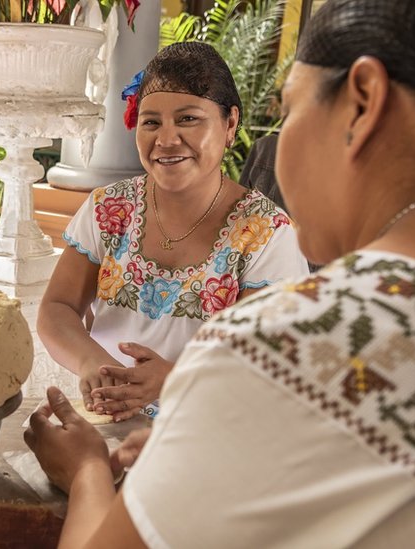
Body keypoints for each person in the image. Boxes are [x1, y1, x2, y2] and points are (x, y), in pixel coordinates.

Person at [25, 0, 415, 547]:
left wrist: (87, 472)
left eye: (290, 109)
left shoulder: (278, 347)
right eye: (151, 121)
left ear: (363, 103)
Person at [37, 42, 308, 421]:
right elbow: (58, 308)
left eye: (188, 119)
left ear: (230, 124)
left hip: (208, 439)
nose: (165, 140)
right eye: (151, 122)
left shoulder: (266, 235)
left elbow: (267, 367)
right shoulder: (110, 209)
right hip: (108, 424)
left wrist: (175, 379)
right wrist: (94, 365)